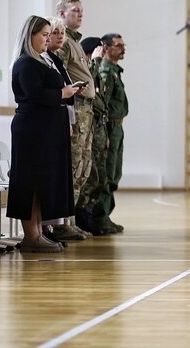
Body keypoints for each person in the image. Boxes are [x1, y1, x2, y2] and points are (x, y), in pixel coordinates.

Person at [6, 15, 83, 253]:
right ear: (31, 36)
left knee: (42, 182)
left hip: (45, 129)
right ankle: (31, 235)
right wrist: (63, 93)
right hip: (32, 129)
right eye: (44, 35)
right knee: (30, 182)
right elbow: (36, 94)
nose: (47, 39)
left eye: (49, 35)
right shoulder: (26, 63)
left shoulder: (42, 60)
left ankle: (38, 232)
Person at [55, 0, 96, 236]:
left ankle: (70, 221)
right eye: (75, 11)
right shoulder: (65, 43)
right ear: (61, 13)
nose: (80, 15)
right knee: (73, 164)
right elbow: (60, 75)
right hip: (76, 107)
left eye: (82, 11)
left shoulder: (76, 43)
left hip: (86, 109)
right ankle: (62, 223)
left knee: (83, 166)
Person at [75, 36, 113, 236]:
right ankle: (81, 216)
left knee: (98, 176)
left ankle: (90, 214)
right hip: (86, 128)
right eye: (100, 50)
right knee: (87, 176)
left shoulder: (98, 71)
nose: (103, 54)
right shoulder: (89, 68)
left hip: (97, 128)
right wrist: (96, 61)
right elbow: (86, 83)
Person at [96, 33, 128, 233]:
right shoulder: (106, 71)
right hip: (109, 127)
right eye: (118, 45)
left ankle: (105, 215)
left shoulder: (115, 71)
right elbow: (103, 104)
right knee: (107, 172)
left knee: (115, 172)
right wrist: (105, 133)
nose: (123, 49)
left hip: (117, 126)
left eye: (123, 45)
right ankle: (100, 217)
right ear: (106, 48)